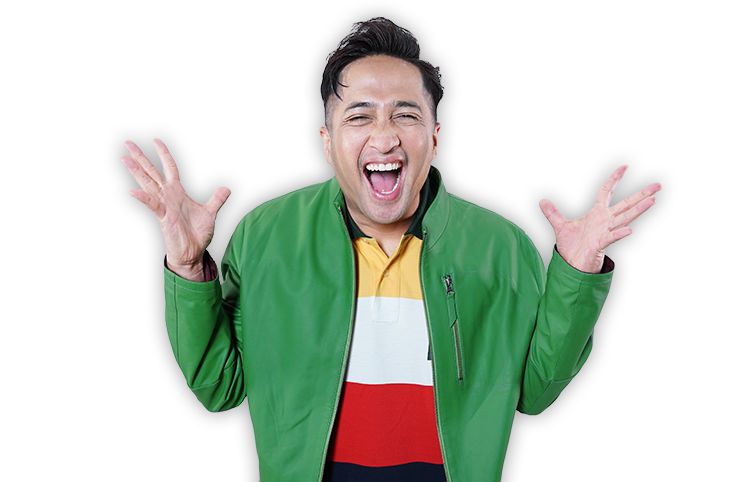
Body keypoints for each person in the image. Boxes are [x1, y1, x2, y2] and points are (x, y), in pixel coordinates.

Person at [120, 16, 661, 482]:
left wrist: (576, 274)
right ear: (327, 143)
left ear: (435, 137)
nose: (384, 137)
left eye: (405, 114)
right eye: (359, 116)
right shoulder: (265, 236)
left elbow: (537, 394)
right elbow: (218, 387)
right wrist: (188, 267)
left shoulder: (501, 247)